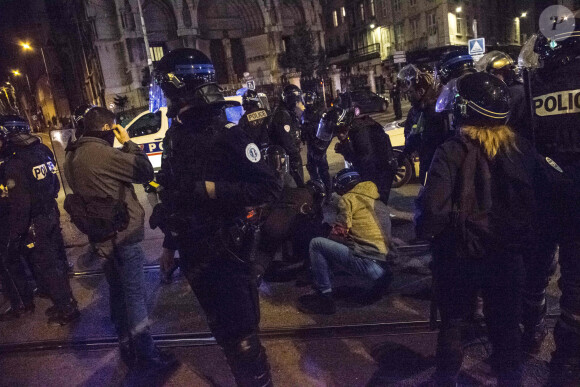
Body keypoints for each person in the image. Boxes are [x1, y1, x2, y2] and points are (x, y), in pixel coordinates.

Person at [415, 72, 553, 386]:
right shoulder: (521, 147)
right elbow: (545, 198)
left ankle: (446, 380)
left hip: (460, 257)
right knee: (506, 329)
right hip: (508, 257)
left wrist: (430, 234)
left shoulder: (451, 150)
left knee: (453, 324)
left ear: (467, 109)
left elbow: (431, 211)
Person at [154, 48, 282, 387]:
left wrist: (212, 190)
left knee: (241, 336)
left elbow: (269, 188)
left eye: (166, 89)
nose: (164, 97)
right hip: (193, 248)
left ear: (179, 86)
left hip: (227, 249)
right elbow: (175, 193)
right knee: (223, 331)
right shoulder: (176, 135)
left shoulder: (227, 132)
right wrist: (169, 244)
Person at [64, 107, 177, 376]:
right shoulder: (102, 153)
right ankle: (148, 358)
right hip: (122, 237)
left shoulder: (72, 154)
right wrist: (128, 141)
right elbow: (145, 171)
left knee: (118, 295)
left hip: (101, 238)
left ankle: (129, 348)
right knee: (135, 298)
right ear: (107, 129)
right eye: (113, 129)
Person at [520, 23, 580, 385]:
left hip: (543, 197)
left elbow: (521, 146)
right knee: (575, 285)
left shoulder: (534, 85)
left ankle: (530, 331)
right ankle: (567, 361)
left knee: (536, 272)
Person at [0, 115, 78, 324]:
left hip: (35, 222)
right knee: (57, 261)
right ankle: (66, 301)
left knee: (47, 266)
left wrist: (16, 234)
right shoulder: (42, 150)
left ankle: (66, 309)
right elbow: (55, 184)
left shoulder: (15, 163)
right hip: (50, 212)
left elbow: (21, 205)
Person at [298, 169, 393, 315]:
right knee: (336, 245)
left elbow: (339, 233)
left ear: (343, 186)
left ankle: (325, 297)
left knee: (317, 244)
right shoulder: (377, 201)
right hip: (384, 267)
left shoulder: (348, 199)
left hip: (368, 263)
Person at [325, 107, 397, 205]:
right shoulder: (354, 127)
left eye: (337, 131)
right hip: (377, 167)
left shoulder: (361, 131)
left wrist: (345, 146)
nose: (337, 135)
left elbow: (363, 161)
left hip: (381, 170)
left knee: (376, 204)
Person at [397, 64, 447, 185]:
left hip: (439, 171)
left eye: (411, 93)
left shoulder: (439, 111)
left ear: (421, 91)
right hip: (427, 167)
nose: (409, 97)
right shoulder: (417, 110)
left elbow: (430, 140)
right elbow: (412, 134)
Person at [476, 50, 527, 137]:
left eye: (500, 73)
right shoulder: (497, 92)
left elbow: (503, 122)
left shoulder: (515, 92)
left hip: (512, 139)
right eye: (495, 73)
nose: (497, 77)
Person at [269, 84, 305, 187]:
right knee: (295, 189)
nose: (299, 104)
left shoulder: (286, 113)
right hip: (287, 161)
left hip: (288, 158)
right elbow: (287, 141)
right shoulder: (282, 115)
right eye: (297, 101)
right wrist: (295, 157)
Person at [302, 90, 331, 195]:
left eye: (310, 100)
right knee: (311, 169)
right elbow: (303, 129)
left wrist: (321, 146)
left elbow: (325, 131)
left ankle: (328, 194)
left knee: (323, 171)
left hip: (319, 146)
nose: (308, 103)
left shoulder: (320, 112)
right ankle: (318, 191)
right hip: (310, 145)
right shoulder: (304, 114)